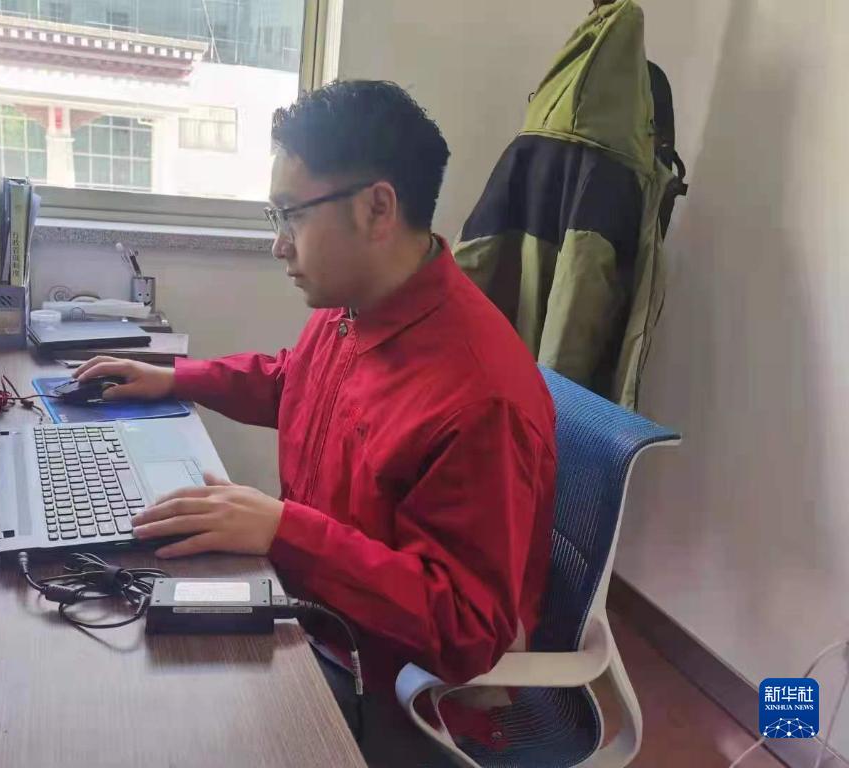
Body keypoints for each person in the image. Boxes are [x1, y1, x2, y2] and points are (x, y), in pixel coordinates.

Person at [74, 80, 556, 765]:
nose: (279, 245)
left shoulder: (478, 398)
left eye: (291, 215)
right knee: (124, 647)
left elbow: (466, 629)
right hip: (318, 610)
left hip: (398, 687)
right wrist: (176, 377)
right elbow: (292, 381)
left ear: (377, 208)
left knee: (155, 719)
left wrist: (283, 530)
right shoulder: (357, 304)